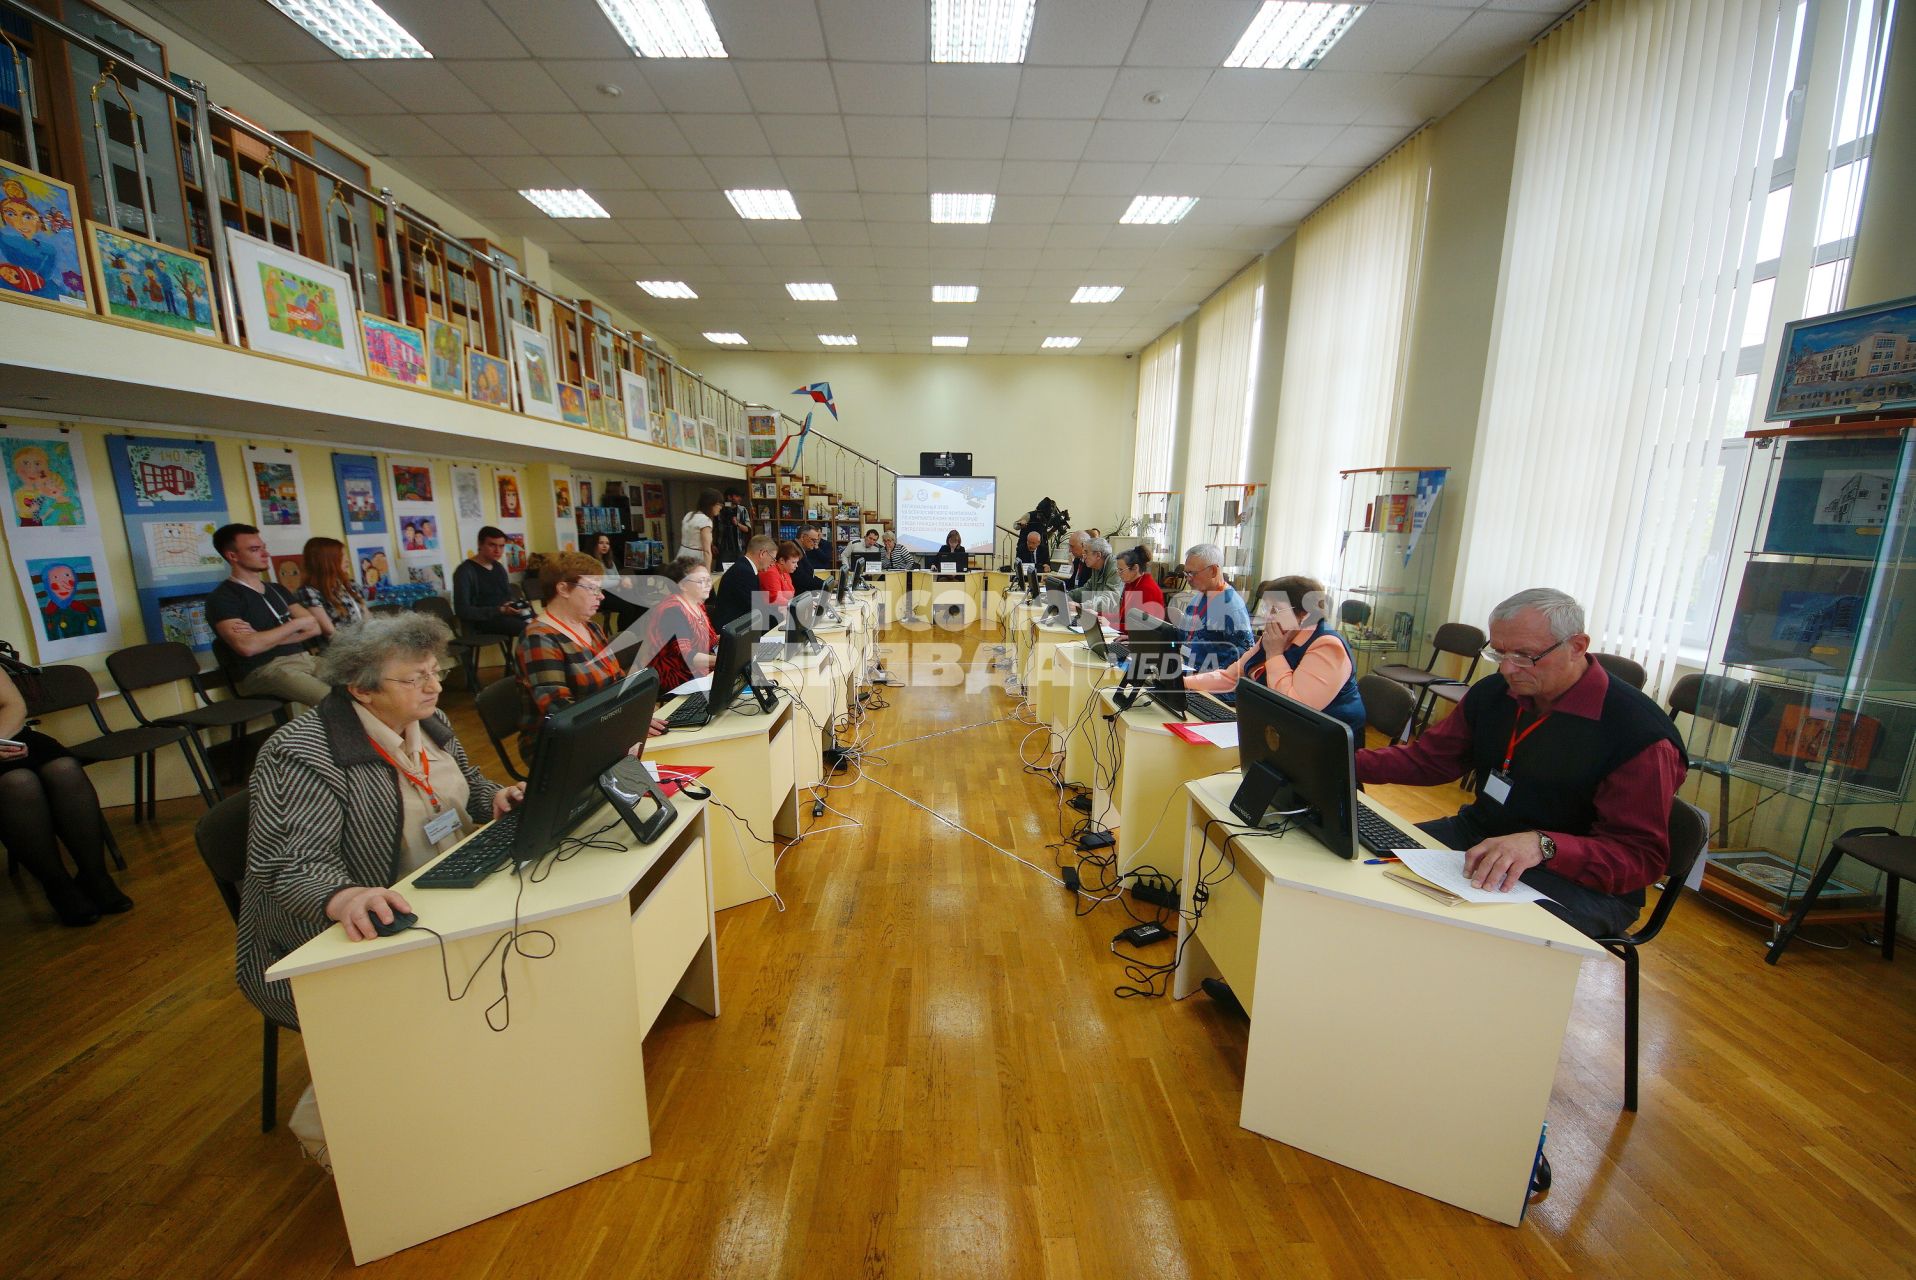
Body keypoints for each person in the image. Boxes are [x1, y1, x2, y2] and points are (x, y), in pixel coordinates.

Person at [1355, 588, 1686, 939]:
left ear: (1576, 646)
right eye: (1499, 652)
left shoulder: (1639, 734)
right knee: (1366, 866)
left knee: (1457, 929)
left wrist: (1543, 845)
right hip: (1481, 837)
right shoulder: (1495, 693)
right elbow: (1430, 760)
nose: (1507, 668)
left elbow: (1639, 858)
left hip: (1583, 882)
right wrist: (1345, 760)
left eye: (1526, 655)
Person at [0, 665, 131, 925]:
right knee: (18, 783)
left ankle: (94, 875)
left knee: (64, 769)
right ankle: (58, 886)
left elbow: (14, 705)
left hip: (8, 735)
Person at [1185, 576, 1366, 739]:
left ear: (1304, 614)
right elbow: (1230, 676)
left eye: (1275, 609)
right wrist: (1183, 682)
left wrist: (1274, 654)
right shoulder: (1279, 635)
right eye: (1266, 608)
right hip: (1280, 732)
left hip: (1323, 745)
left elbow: (1295, 707)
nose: (1267, 616)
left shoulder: (1327, 646)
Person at [206, 524, 330, 707]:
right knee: (333, 700)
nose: (266, 554)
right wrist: (294, 625)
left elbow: (314, 626)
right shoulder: (223, 598)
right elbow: (247, 647)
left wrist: (262, 638)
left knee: (366, 686)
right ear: (232, 556)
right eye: (255, 550)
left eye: (264, 548)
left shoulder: (277, 589)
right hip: (266, 669)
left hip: (305, 658)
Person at [515, 551, 620, 748]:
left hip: (603, 728)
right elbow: (560, 709)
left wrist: (635, 716)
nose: (601, 596)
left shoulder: (592, 628)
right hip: (561, 745)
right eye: (592, 589)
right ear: (563, 589)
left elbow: (617, 680)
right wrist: (618, 727)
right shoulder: (538, 638)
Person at [641, 556, 718, 693]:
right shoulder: (673, 612)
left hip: (696, 670)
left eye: (708, 580)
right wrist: (721, 660)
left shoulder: (696, 604)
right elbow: (687, 655)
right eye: (701, 581)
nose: (708, 585)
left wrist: (730, 637)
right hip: (676, 675)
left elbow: (707, 640)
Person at [1177, 542, 1254, 674]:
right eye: (1186, 573)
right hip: (1188, 672)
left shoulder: (1232, 608)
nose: (1188, 579)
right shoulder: (1198, 598)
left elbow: (1245, 658)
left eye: (1192, 573)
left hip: (1212, 686)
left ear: (1213, 570)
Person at [453, 526, 528, 641]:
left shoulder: (498, 567)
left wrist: (514, 605)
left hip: (505, 617)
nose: (498, 551)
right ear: (480, 544)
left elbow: (507, 595)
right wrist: (499, 610)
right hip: (483, 623)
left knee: (543, 624)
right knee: (532, 629)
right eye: (492, 545)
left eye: (501, 546)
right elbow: (462, 610)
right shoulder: (465, 571)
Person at [295, 536, 365, 639]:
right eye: (342, 556)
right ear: (326, 561)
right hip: (340, 650)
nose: (347, 561)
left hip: (365, 644)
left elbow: (368, 619)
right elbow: (330, 632)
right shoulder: (309, 592)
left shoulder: (350, 585)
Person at [712, 534, 778, 632]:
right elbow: (757, 610)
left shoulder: (745, 567)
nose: (773, 563)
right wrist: (779, 621)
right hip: (732, 633)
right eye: (773, 559)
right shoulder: (743, 572)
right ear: (763, 554)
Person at [1066, 536, 1121, 617]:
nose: (1083, 556)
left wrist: (1081, 606)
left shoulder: (1116, 567)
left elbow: (1109, 598)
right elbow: (1087, 589)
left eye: (1086, 553)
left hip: (1112, 619)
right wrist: (1065, 596)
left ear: (1098, 555)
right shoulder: (1096, 566)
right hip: (1099, 615)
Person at [1114, 545, 1164, 633]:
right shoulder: (1130, 583)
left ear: (1135, 568)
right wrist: (1100, 616)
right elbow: (1123, 617)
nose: (1118, 573)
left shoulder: (1147, 589)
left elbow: (1142, 628)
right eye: (1117, 569)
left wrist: (1110, 624)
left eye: (1121, 570)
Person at [677, 488, 721, 567]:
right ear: (711, 504)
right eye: (719, 504)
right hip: (695, 560)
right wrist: (707, 574)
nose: (720, 507)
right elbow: (707, 551)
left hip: (681, 556)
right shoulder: (705, 521)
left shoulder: (689, 515)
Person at [760, 539, 801, 610]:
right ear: (782, 560)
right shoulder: (771, 573)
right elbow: (776, 599)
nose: (796, 566)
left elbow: (791, 596)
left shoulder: (785, 572)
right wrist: (799, 605)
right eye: (793, 562)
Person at [716, 487, 752, 564]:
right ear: (729, 497)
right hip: (723, 548)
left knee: (739, 571)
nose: (740, 499)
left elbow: (748, 529)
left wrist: (737, 524)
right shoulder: (720, 509)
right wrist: (713, 545)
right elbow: (715, 529)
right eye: (737, 496)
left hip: (739, 548)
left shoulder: (742, 510)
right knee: (722, 572)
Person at [792, 525, 831, 596]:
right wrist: (824, 585)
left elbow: (809, 575)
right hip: (798, 596)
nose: (815, 543)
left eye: (816, 540)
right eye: (813, 540)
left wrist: (826, 584)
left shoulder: (799, 549)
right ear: (803, 537)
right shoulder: (793, 550)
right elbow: (802, 579)